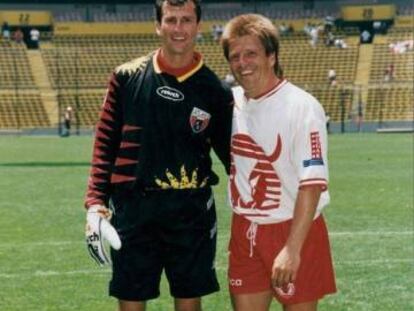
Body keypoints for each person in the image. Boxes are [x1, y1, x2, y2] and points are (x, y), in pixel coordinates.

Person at [84, 1, 233, 311]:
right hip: (133, 207)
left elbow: (232, 157)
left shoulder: (215, 90)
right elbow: (105, 144)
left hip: (191, 210)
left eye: (186, 20)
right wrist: (95, 203)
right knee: (131, 301)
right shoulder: (125, 77)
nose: (178, 28)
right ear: (158, 25)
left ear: (198, 26)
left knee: (189, 301)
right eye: (171, 20)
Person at [221, 14, 336, 311]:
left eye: (251, 53)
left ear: (271, 56)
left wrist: (292, 250)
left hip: (294, 229)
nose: (243, 63)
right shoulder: (229, 104)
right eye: (235, 56)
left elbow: (311, 184)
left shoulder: (302, 106)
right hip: (245, 228)